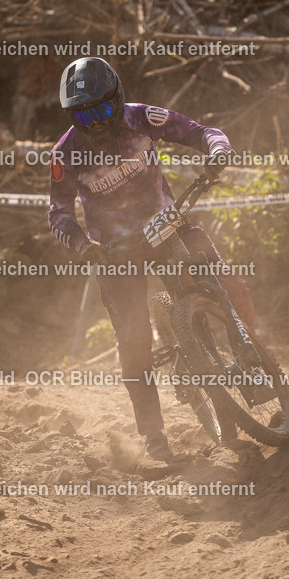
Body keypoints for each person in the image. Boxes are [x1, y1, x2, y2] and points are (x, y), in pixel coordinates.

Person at [48, 57, 255, 460]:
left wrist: (217, 150)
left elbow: (201, 132)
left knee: (232, 287)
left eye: (102, 110)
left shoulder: (142, 118)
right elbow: (57, 213)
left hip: (168, 228)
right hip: (115, 251)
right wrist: (82, 245)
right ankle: (153, 433)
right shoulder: (65, 154)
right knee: (133, 340)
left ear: (117, 99)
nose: (93, 122)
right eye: (82, 114)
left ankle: (250, 359)